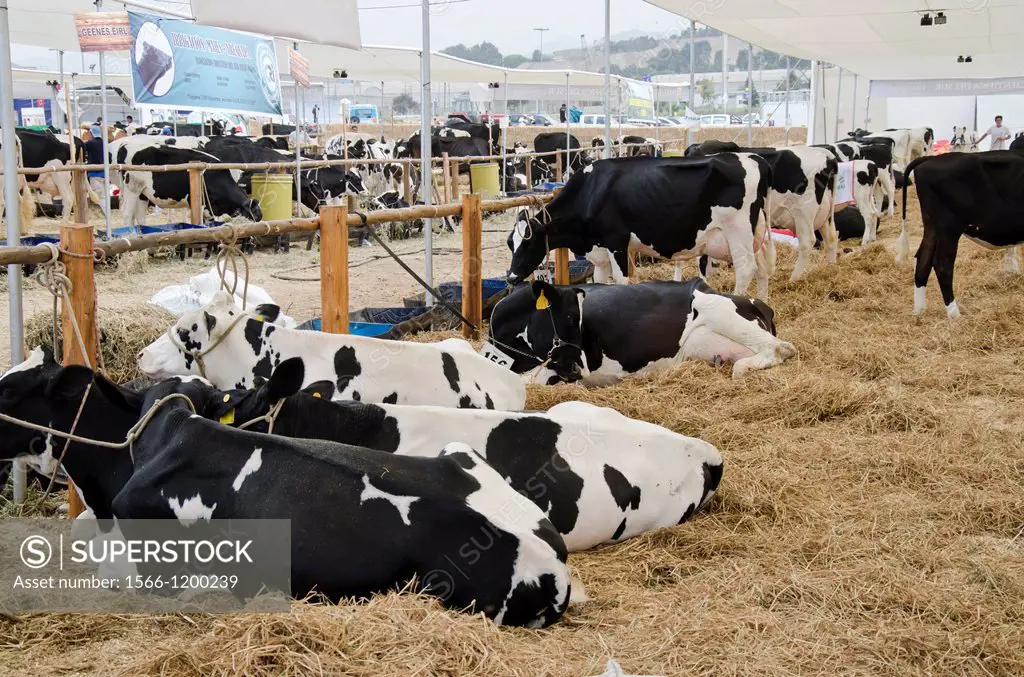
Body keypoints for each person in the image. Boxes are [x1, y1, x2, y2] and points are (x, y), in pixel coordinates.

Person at [83, 125, 107, 213]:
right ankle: (106, 212)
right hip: (105, 173)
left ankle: (105, 213)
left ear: (91, 133)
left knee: (98, 195)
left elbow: (83, 149)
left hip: (94, 173)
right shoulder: (105, 142)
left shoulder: (90, 143)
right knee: (104, 195)